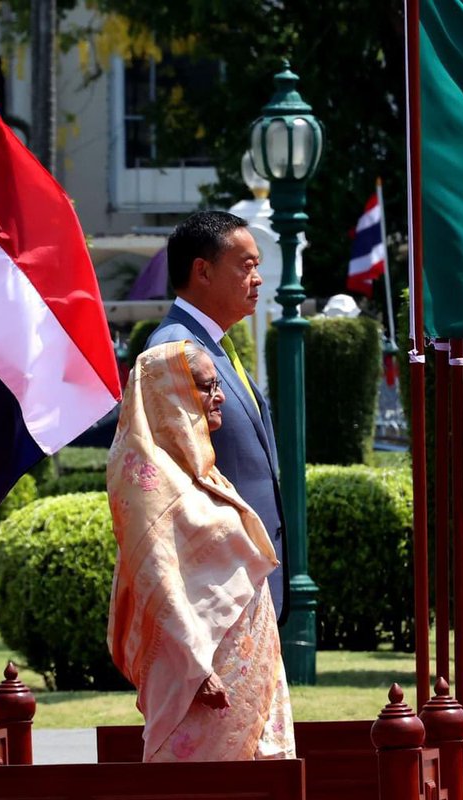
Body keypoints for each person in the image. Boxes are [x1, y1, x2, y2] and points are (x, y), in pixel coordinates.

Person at [106, 341, 295, 762]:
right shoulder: (149, 483)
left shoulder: (204, 473)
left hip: (247, 670)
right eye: (208, 386)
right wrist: (197, 668)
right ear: (173, 391)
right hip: (204, 681)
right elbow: (158, 581)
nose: (220, 396)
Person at [145, 210, 288, 623]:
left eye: (258, 266)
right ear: (202, 272)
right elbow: (171, 478)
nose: (257, 278)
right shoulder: (175, 349)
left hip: (243, 581)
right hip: (215, 589)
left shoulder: (213, 344)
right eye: (246, 266)